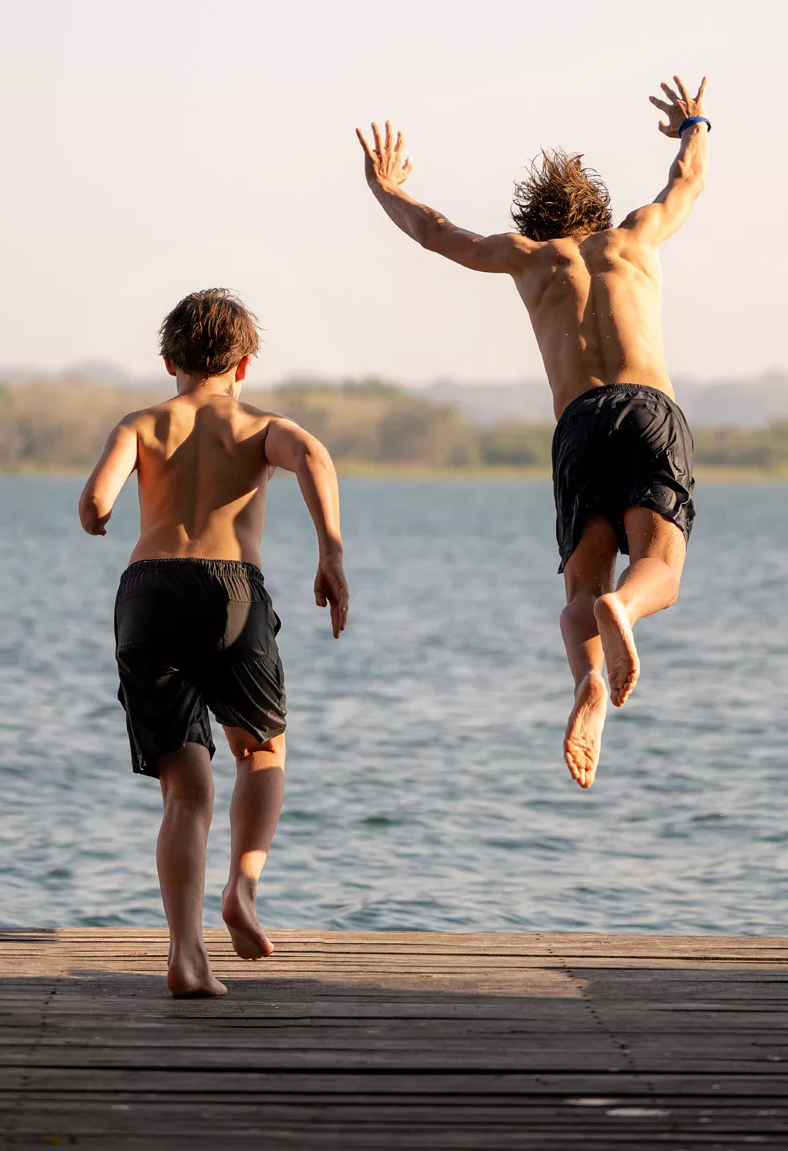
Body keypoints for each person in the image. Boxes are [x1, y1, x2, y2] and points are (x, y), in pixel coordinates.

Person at [356, 78, 709, 791]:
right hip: (647, 407)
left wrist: (383, 186)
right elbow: (687, 181)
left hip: (578, 423)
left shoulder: (525, 256)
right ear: (599, 211)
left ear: (536, 218)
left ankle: (587, 681)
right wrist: (692, 123)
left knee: (582, 581)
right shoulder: (636, 235)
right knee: (660, 567)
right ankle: (625, 609)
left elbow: (435, 232)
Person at [78, 288, 349, 997]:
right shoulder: (259, 425)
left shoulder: (141, 423)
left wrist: (99, 510)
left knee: (183, 788)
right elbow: (314, 456)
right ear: (246, 363)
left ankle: (185, 953)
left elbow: (97, 502)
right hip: (231, 588)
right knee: (260, 751)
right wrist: (331, 554)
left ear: (168, 360)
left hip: (146, 592)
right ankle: (242, 888)